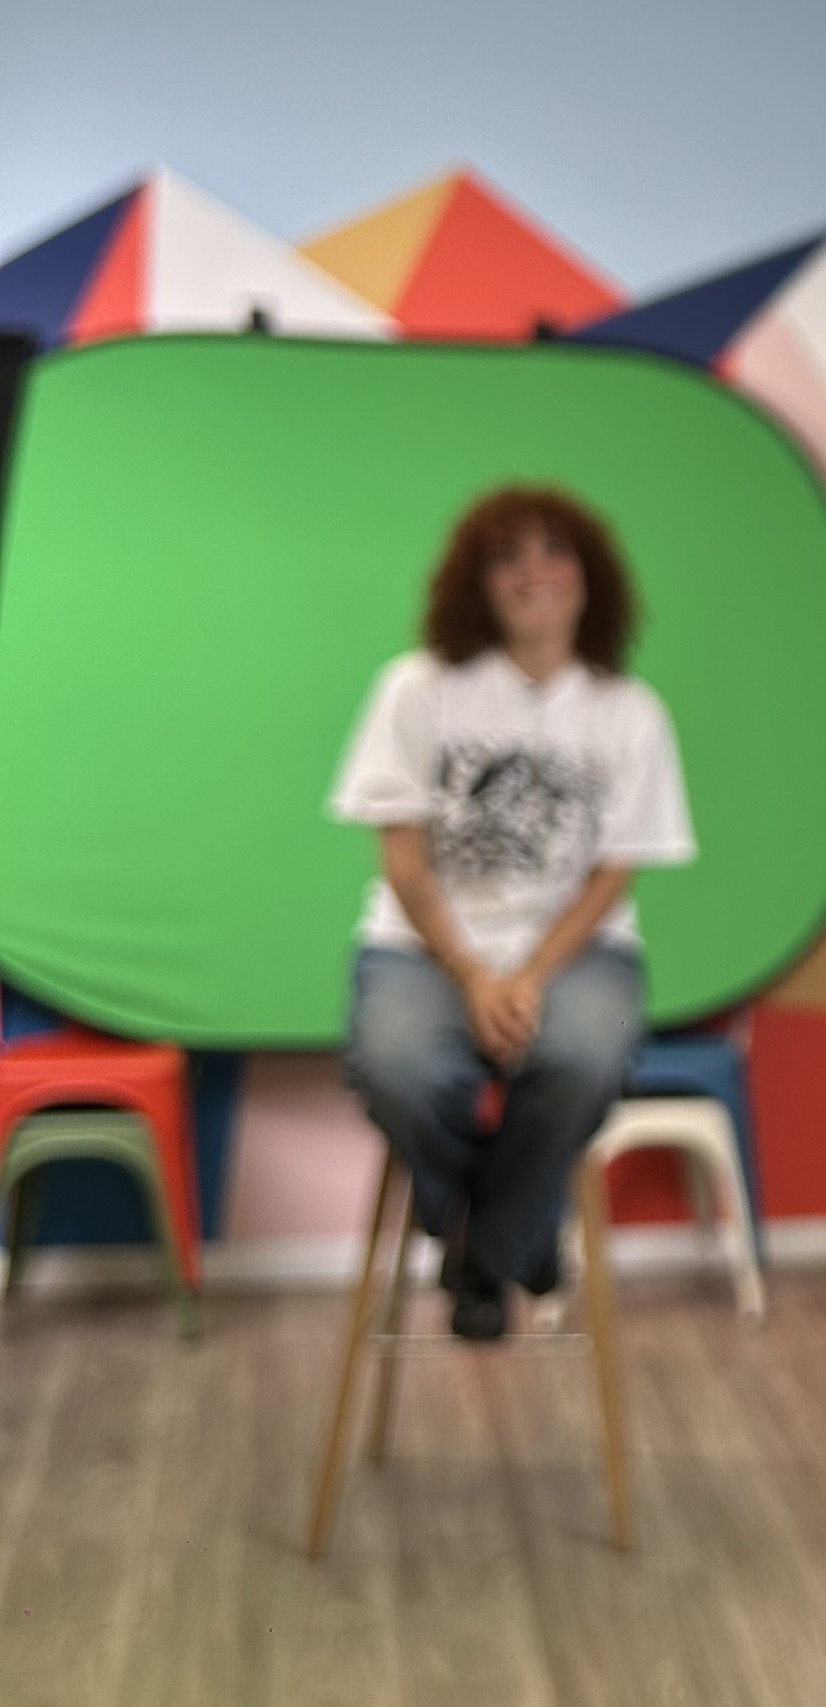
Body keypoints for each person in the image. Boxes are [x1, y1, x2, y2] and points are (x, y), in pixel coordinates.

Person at [330, 485, 695, 1342]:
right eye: (508, 556)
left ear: (590, 576)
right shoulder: (416, 688)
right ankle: (515, 1234)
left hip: (577, 950)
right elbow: (405, 861)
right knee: (398, 1068)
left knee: (584, 1056)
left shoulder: (630, 712)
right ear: (476, 581)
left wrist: (527, 974)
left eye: (554, 551)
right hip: (423, 946)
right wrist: (472, 972)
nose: (534, 572)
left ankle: (478, 1248)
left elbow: (614, 874)